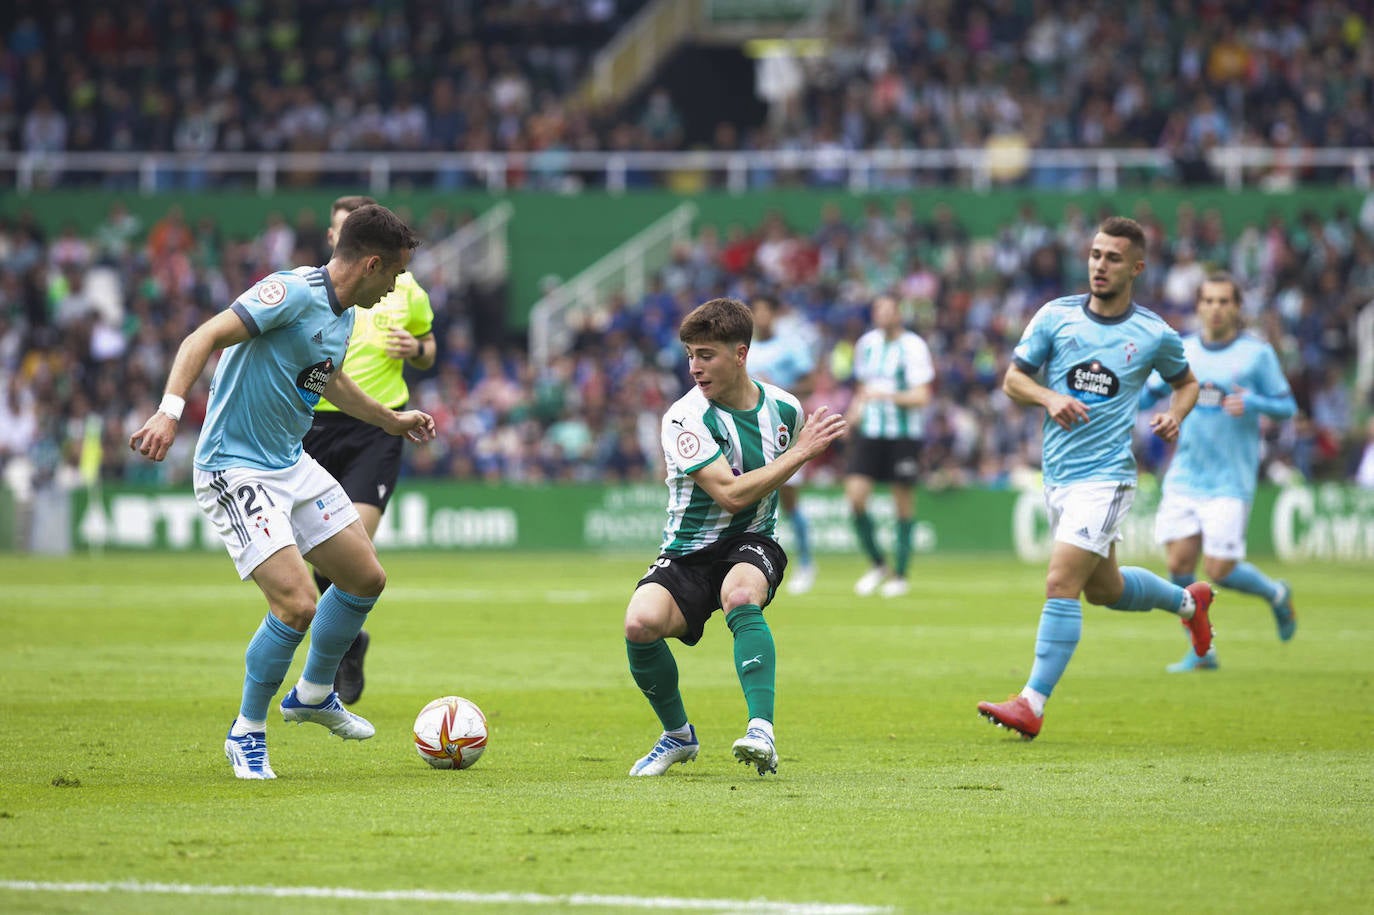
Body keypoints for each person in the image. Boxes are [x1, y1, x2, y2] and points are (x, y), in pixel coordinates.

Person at [129, 204, 435, 779]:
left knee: (366, 577)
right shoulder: (290, 292)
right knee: (297, 604)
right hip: (235, 467)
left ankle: (315, 692)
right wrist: (169, 413)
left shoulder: (343, 314)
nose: (395, 287)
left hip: (290, 464)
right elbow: (205, 335)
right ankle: (246, 731)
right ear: (370, 263)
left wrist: (391, 421)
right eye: (392, 274)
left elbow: (330, 380)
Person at [976, 216, 1214, 740]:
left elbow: (1188, 383)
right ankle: (1188, 602)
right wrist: (1049, 396)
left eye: (1112, 258)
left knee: (1061, 582)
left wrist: (1177, 414)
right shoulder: (1055, 316)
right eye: (1095, 254)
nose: (1100, 265)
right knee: (1106, 589)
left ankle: (1031, 703)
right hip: (1058, 476)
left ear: (1136, 267)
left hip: (1106, 479)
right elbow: (1013, 379)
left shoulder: (1153, 333)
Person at [623, 297, 847, 777]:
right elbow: (728, 494)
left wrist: (798, 453)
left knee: (741, 594)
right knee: (639, 626)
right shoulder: (685, 417)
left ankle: (761, 731)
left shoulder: (785, 407)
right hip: (687, 551)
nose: (694, 367)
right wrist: (800, 454)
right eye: (690, 355)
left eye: (706, 355)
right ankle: (677, 737)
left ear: (740, 354)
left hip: (751, 541)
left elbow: (757, 500)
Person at [303, 195, 437, 705]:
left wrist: (417, 350)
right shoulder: (314, 292)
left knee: (352, 542)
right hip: (314, 425)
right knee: (322, 552)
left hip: (377, 430)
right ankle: (348, 639)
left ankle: (338, 645)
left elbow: (430, 350)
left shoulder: (407, 293)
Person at [1141, 273, 1297, 672]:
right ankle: (1202, 651)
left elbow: (1287, 406)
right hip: (1186, 473)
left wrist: (1255, 402)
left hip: (1231, 478)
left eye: (1224, 301)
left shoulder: (1255, 355)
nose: (1215, 308)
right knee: (1178, 564)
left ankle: (1277, 595)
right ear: (1198, 306)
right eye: (1208, 300)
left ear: (1237, 307)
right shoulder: (1184, 349)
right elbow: (1153, 390)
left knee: (1219, 571)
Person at [845, 294, 935, 598]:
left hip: (903, 435)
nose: (882, 315)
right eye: (877, 310)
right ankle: (878, 564)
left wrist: (886, 397)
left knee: (903, 503)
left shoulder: (913, 347)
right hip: (870, 432)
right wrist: (853, 415)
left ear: (899, 313)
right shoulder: (866, 344)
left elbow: (922, 396)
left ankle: (900, 574)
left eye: (888, 310)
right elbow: (862, 387)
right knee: (855, 498)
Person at [748, 294, 820, 594]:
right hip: (749, 431)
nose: (761, 318)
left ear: (774, 315)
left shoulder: (790, 347)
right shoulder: (743, 349)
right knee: (749, 496)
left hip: (783, 429)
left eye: (766, 311)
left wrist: (775, 389)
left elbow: (812, 383)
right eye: (757, 312)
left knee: (789, 496)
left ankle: (805, 564)